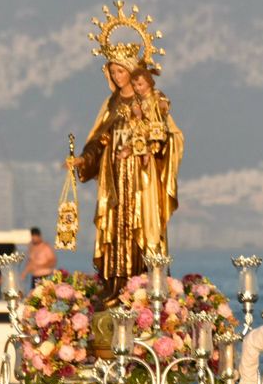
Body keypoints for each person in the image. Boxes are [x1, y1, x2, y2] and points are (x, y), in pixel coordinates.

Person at [68, 56, 183, 298]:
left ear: (132, 72)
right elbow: (98, 140)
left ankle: (144, 286)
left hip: (142, 179)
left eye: (121, 71)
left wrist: (151, 146)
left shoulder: (151, 100)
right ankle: (116, 287)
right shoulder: (111, 103)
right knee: (116, 228)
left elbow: (169, 136)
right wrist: (84, 159)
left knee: (141, 226)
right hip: (116, 178)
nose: (117, 77)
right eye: (113, 72)